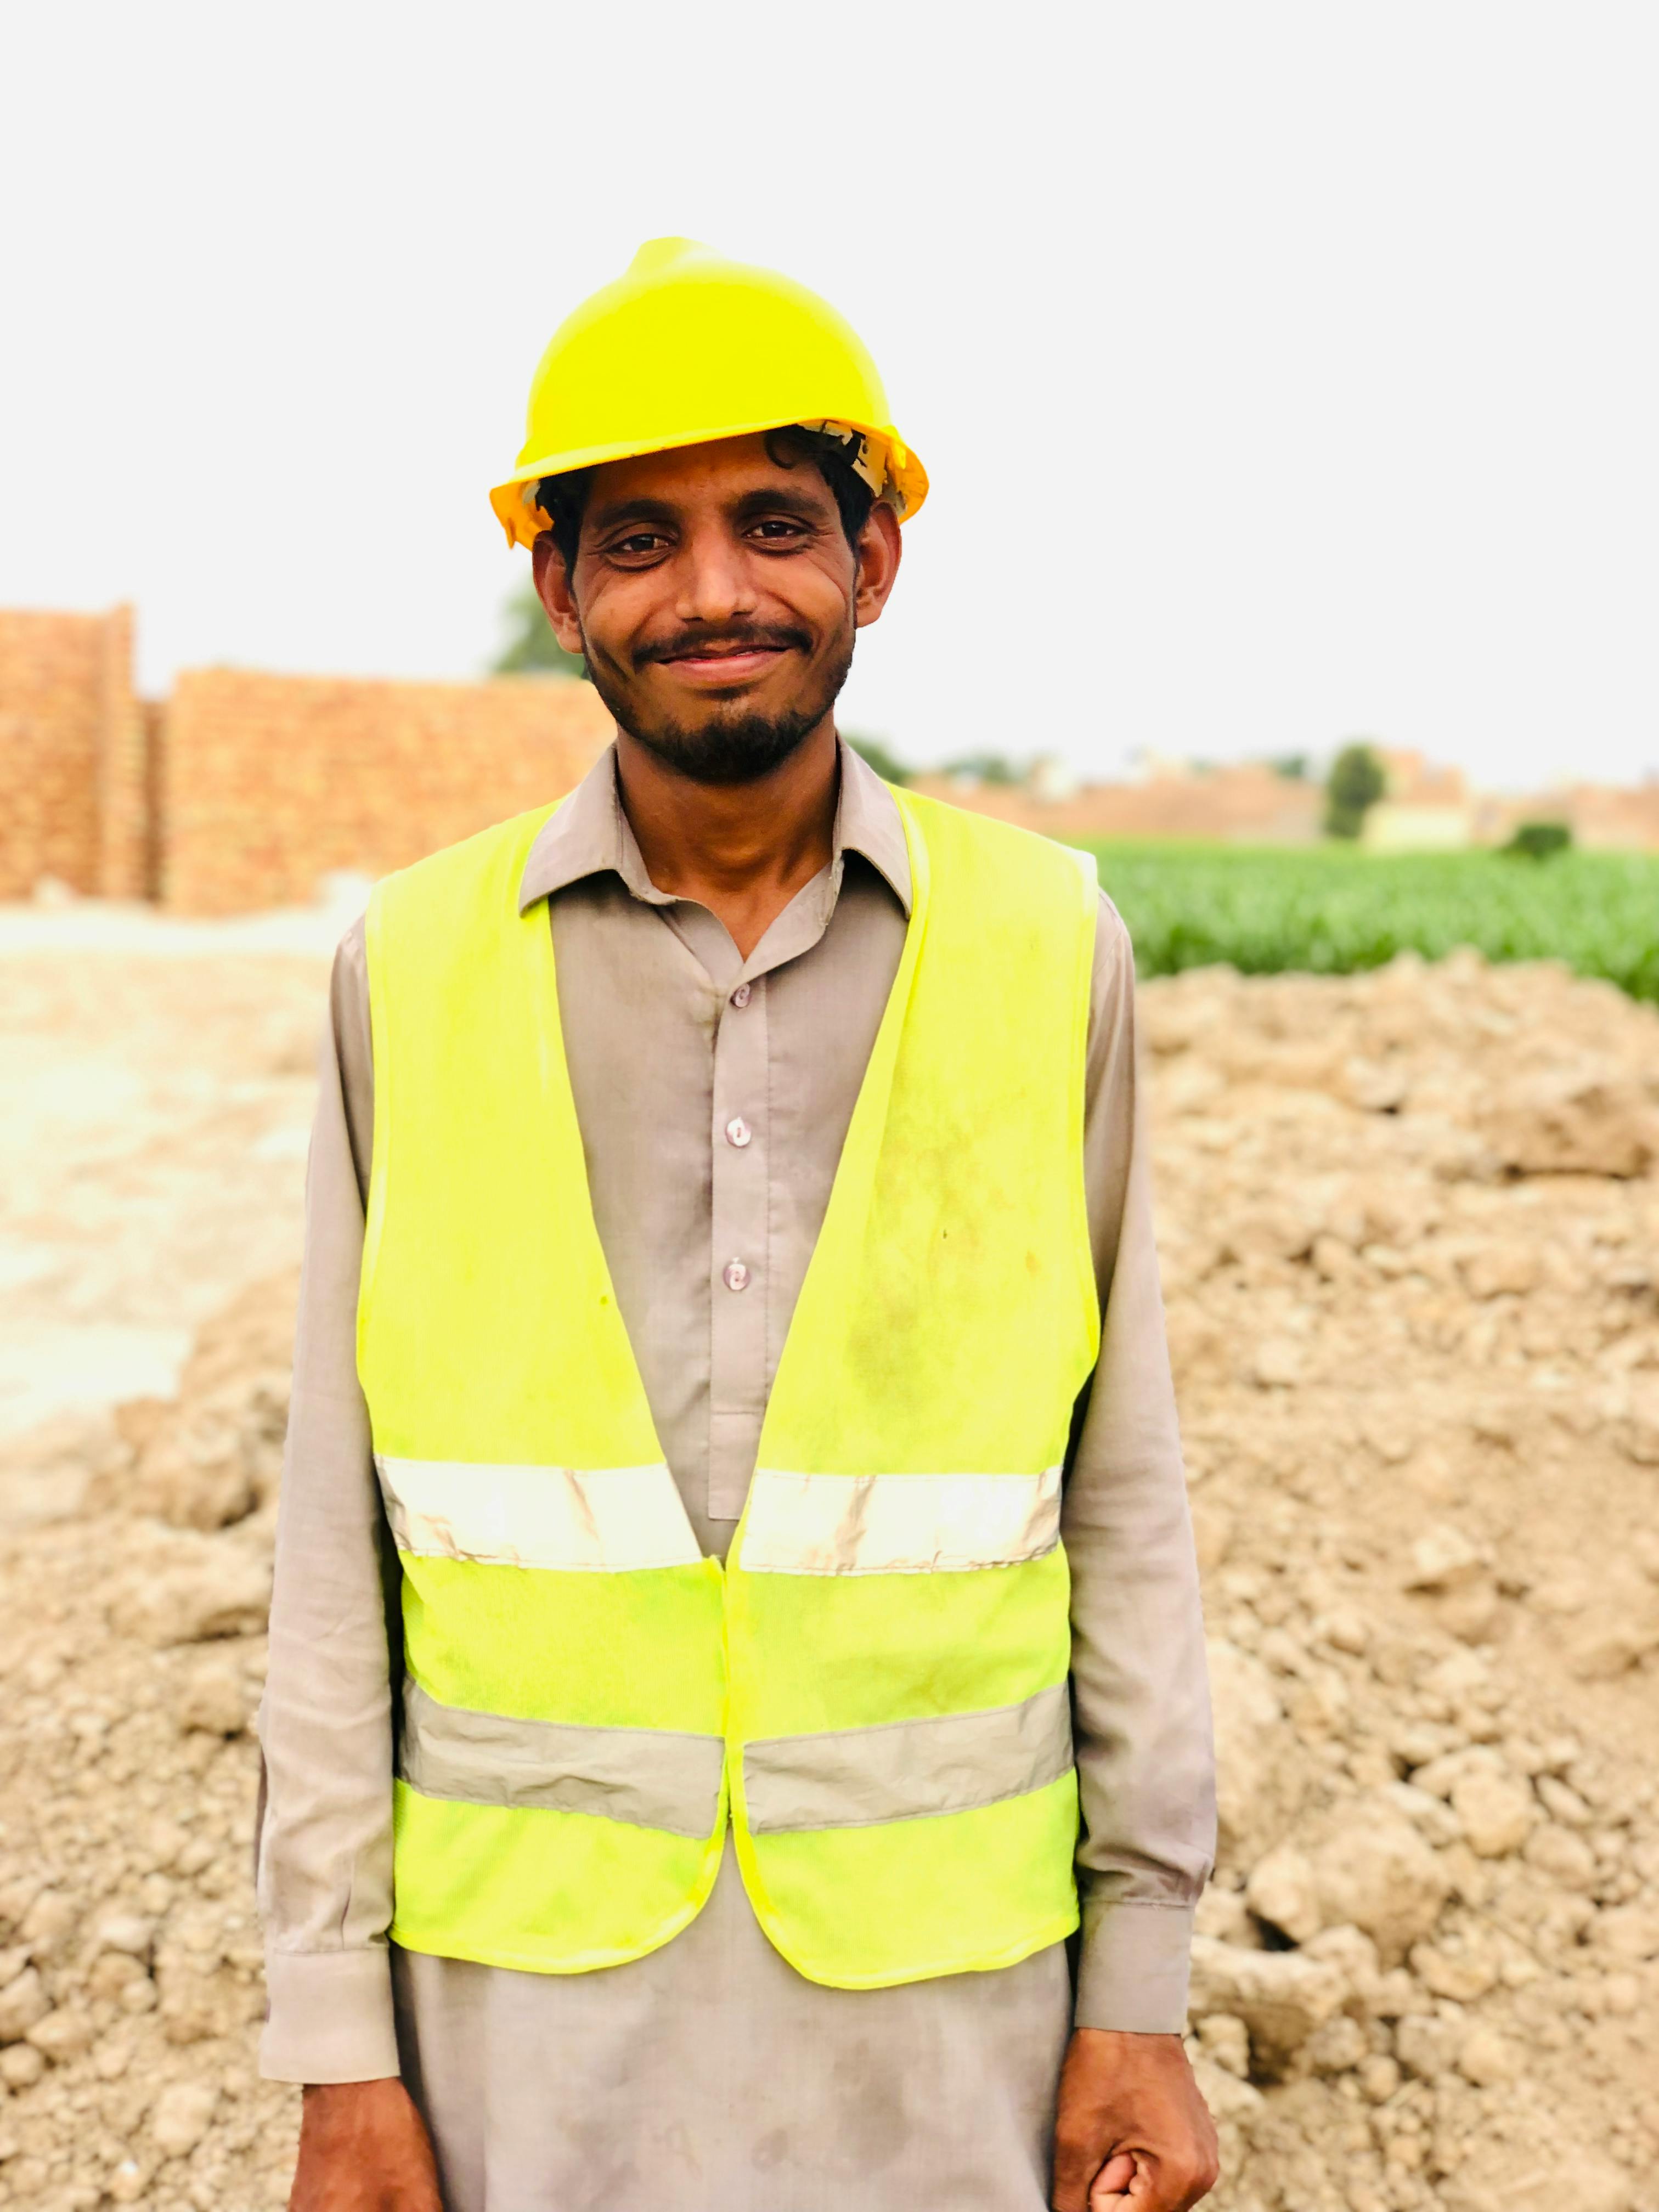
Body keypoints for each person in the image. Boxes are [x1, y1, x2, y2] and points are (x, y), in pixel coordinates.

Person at [257, 238, 1219, 2212]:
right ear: (558, 593)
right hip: (521, 2021)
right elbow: (330, 1537)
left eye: (776, 524)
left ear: (874, 563)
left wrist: (1141, 1991)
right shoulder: (414, 965)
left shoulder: (1051, 949)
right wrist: (336, 2047)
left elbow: (1124, 1499)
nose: (713, 592)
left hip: (948, 2015)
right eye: (639, 539)